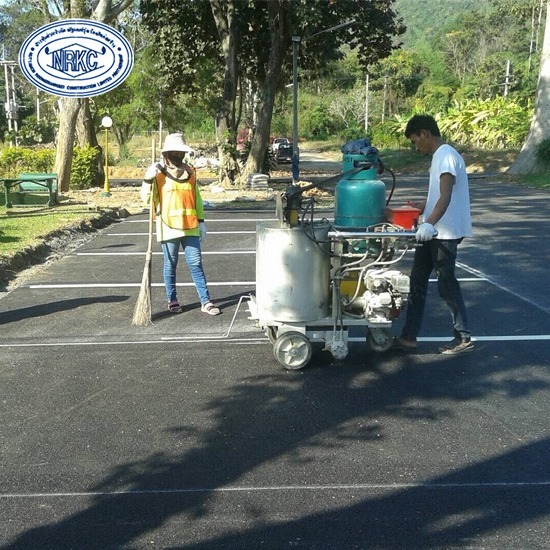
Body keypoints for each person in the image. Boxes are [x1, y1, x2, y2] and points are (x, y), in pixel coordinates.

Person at [395, 114, 473, 354]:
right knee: (417, 281)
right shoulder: (439, 157)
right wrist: (421, 205)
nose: (416, 147)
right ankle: (409, 335)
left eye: (415, 140)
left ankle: (463, 337)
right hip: (433, 231)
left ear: (425, 134)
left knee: (446, 284)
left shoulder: (447, 155)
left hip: (444, 233)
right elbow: (438, 195)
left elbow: (447, 195)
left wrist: (428, 223)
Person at [141, 133, 220, 316]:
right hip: (167, 227)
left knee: (196, 263)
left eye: (180, 151)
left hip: (190, 225)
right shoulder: (158, 173)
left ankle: (205, 301)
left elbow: (197, 199)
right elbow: (146, 199)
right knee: (171, 264)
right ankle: (173, 299)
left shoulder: (190, 172)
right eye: (174, 151)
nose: (177, 155)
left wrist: (201, 222)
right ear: (167, 153)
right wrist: (147, 180)